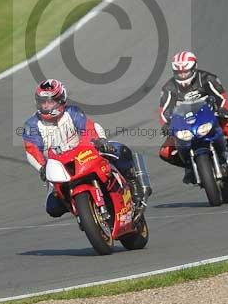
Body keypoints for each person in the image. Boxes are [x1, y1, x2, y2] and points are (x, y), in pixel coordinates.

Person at [22, 79, 146, 217]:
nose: (46, 106)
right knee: (52, 208)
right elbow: (32, 149)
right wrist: (42, 167)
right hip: (59, 168)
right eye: (42, 102)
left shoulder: (72, 112)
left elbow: (89, 128)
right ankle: (82, 210)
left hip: (84, 155)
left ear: (61, 100)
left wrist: (100, 141)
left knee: (119, 151)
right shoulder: (32, 125)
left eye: (50, 101)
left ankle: (134, 184)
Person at [157, 51, 228, 184]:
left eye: (185, 71)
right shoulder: (169, 88)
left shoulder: (207, 78)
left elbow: (222, 97)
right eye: (178, 72)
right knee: (165, 152)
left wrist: (223, 109)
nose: (182, 75)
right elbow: (164, 109)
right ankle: (189, 167)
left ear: (194, 68)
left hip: (210, 117)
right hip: (184, 124)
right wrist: (165, 124)